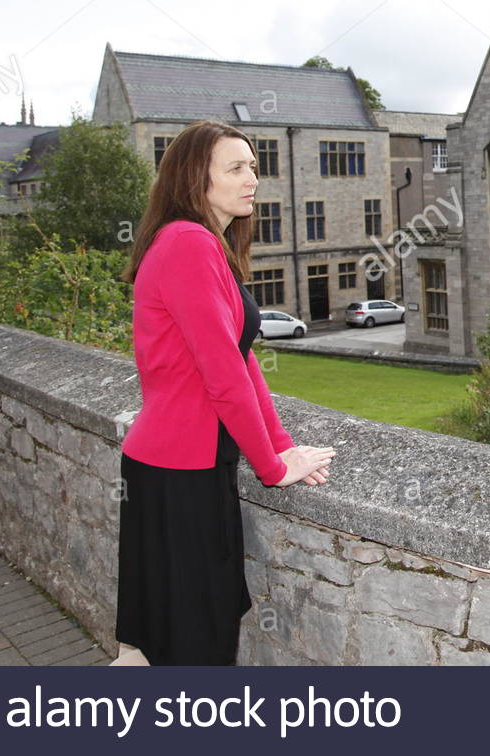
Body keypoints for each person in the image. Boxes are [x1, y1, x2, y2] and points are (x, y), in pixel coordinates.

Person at [111, 120, 334, 666]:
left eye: (253, 166)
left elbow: (240, 356)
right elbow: (222, 376)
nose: (251, 178)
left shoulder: (199, 242)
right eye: (235, 168)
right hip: (180, 477)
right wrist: (273, 467)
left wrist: (279, 444)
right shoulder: (188, 244)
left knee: (150, 647)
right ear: (195, 179)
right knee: (197, 644)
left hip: (170, 467)